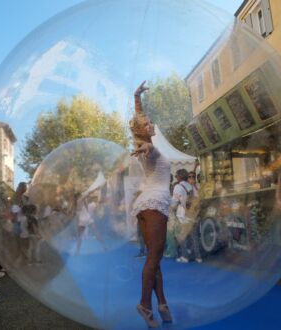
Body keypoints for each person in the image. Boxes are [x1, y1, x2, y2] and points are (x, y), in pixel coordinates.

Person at [130, 81, 172, 328]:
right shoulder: (148, 147)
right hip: (154, 204)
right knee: (154, 257)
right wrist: (146, 146)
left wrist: (137, 97)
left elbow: (138, 121)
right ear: (142, 132)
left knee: (153, 257)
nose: (150, 124)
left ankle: (163, 303)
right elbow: (147, 147)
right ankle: (145, 305)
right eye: (146, 124)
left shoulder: (146, 143)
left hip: (146, 205)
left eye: (149, 121)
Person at [172, 169, 202, 263]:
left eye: (176, 176)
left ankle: (185, 256)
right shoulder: (191, 186)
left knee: (182, 236)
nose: (176, 177)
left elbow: (174, 202)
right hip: (192, 214)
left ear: (180, 177)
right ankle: (198, 257)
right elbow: (197, 198)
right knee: (194, 236)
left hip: (183, 215)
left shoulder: (178, 187)